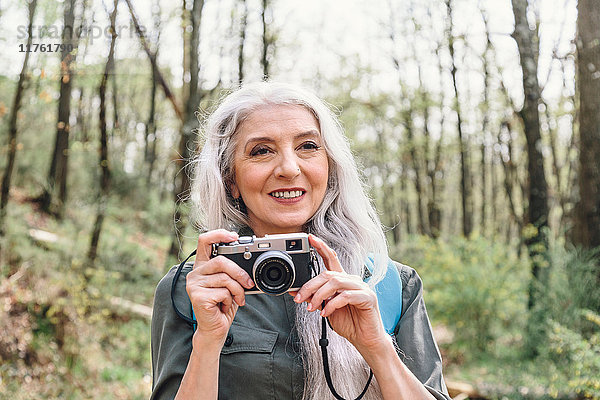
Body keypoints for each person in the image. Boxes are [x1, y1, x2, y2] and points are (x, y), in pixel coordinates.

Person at [150, 82, 451, 400]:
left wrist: (377, 347)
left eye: (308, 146)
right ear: (230, 180)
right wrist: (207, 344)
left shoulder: (390, 284)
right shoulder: (195, 289)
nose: (289, 169)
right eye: (261, 151)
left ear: (329, 166)